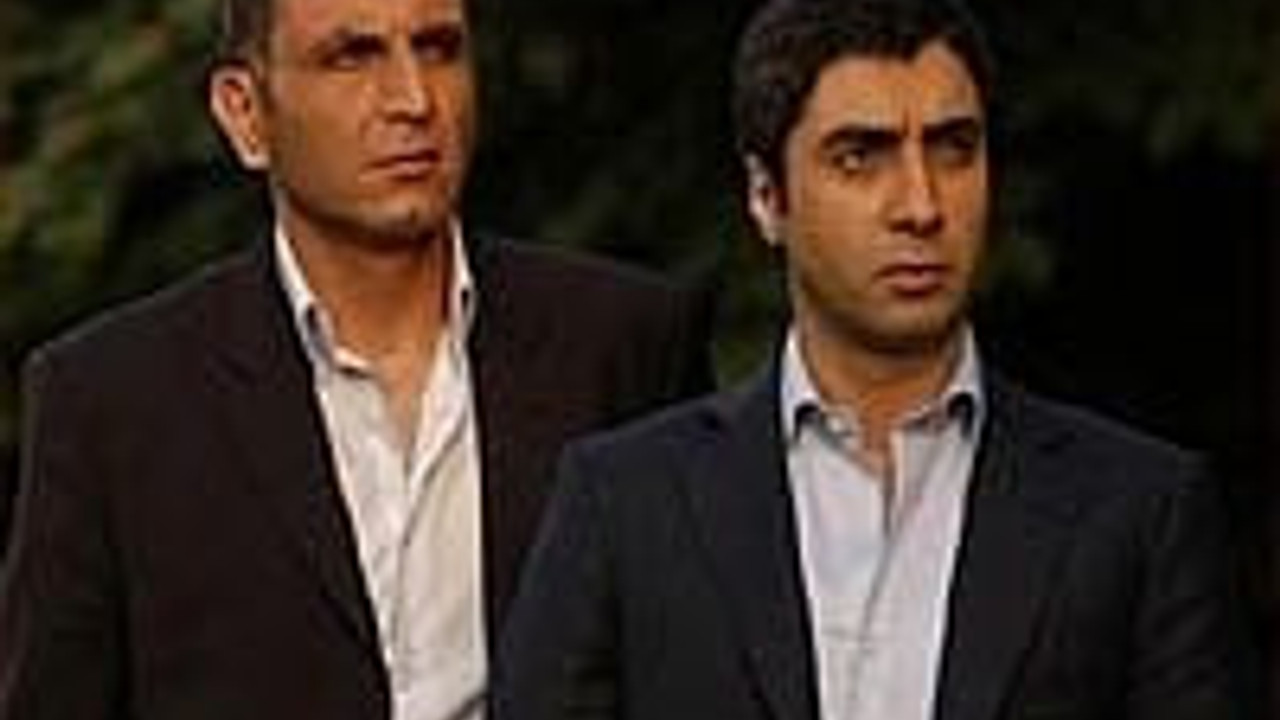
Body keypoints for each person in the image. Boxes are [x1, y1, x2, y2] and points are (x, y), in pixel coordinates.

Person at [492, 0, 1256, 718]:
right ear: (766, 196)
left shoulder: (1138, 510)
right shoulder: (625, 502)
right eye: (861, 157)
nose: (922, 205)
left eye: (954, 150)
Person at [0, 0, 711, 717]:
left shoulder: (621, 344)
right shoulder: (112, 404)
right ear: (245, 113)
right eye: (351, 57)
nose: (414, 99)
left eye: (438, 49)